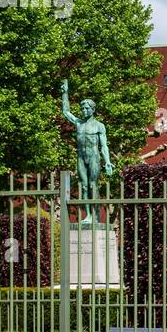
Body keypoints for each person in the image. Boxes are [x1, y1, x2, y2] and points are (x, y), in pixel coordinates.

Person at [61, 80, 113, 224]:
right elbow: (66, 112)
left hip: (94, 157)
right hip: (81, 157)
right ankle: (88, 215)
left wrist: (107, 162)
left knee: (92, 185)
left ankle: (95, 216)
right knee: (83, 186)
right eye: (82, 109)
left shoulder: (99, 126)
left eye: (86, 108)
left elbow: (104, 146)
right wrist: (65, 93)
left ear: (92, 110)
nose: (84, 111)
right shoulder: (78, 123)